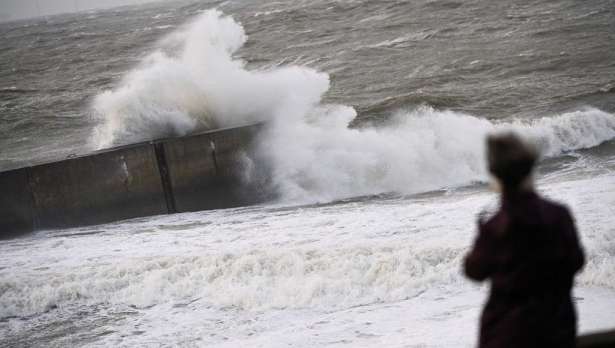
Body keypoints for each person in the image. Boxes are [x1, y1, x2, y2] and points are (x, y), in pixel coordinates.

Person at [464, 132, 585, 348]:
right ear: (530, 169)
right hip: (558, 329)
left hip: (507, 334)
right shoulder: (559, 216)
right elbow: (576, 262)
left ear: (495, 175)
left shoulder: (495, 228)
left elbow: (474, 271)